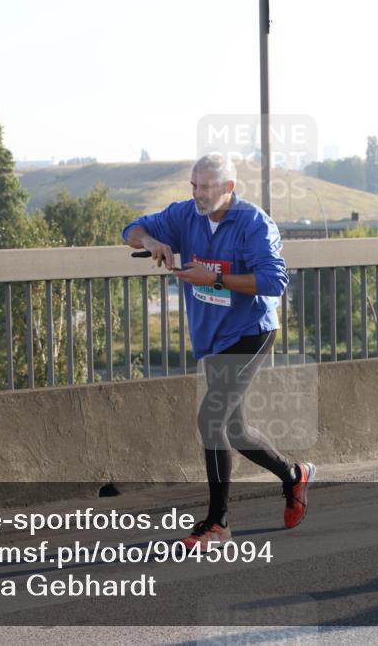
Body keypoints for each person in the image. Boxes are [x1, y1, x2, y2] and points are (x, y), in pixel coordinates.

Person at [121, 154, 316, 551]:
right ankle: (293, 475)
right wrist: (153, 241)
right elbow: (130, 229)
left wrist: (216, 278)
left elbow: (275, 281)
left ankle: (217, 524)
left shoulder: (253, 222)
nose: (198, 194)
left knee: (211, 418)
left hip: (251, 331)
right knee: (235, 429)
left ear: (228, 188)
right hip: (213, 337)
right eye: (193, 185)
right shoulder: (183, 215)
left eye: (206, 187)